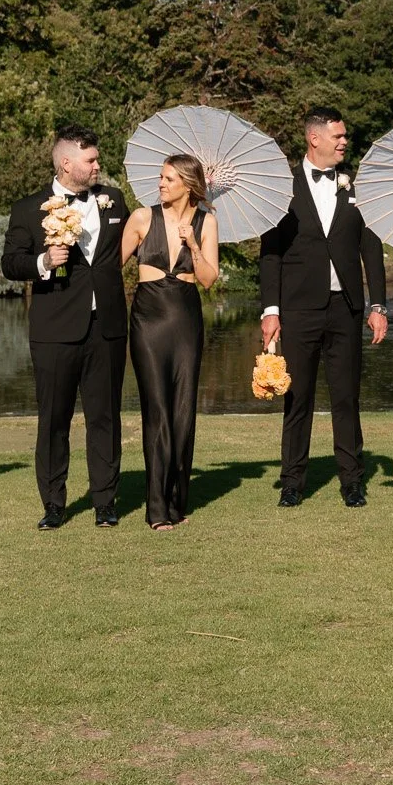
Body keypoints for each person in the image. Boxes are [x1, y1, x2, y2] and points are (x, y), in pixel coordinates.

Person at [0, 125, 130, 530]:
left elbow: (144, 232)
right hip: (55, 328)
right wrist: (43, 261)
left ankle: (105, 502)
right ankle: (54, 504)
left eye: (97, 158)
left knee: (105, 417)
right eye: (90, 160)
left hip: (106, 325)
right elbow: (9, 263)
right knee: (54, 419)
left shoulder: (116, 202)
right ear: (65, 163)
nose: (97, 165)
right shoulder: (28, 208)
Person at [259, 107, 389, 508]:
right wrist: (271, 310)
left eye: (345, 135)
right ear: (314, 138)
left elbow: (372, 246)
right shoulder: (284, 188)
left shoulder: (355, 188)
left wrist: (378, 304)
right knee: (297, 397)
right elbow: (271, 254)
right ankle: (293, 482)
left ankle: (352, 481)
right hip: (298, 310)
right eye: (338, 136)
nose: (344, 142)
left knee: (346, 397)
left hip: (346, 308)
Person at [119, 154, 219, 530]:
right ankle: (156, 508)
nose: (160, 184)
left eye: (169, 179)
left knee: (183, 410)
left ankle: (177, 501)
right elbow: (109, 265)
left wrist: (193, 245)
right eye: (160, 177)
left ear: (188, 186)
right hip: (148, 321)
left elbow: (209, 279)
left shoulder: (207, 221)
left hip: (186, 320)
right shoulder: (142, 218)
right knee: (157, 410)